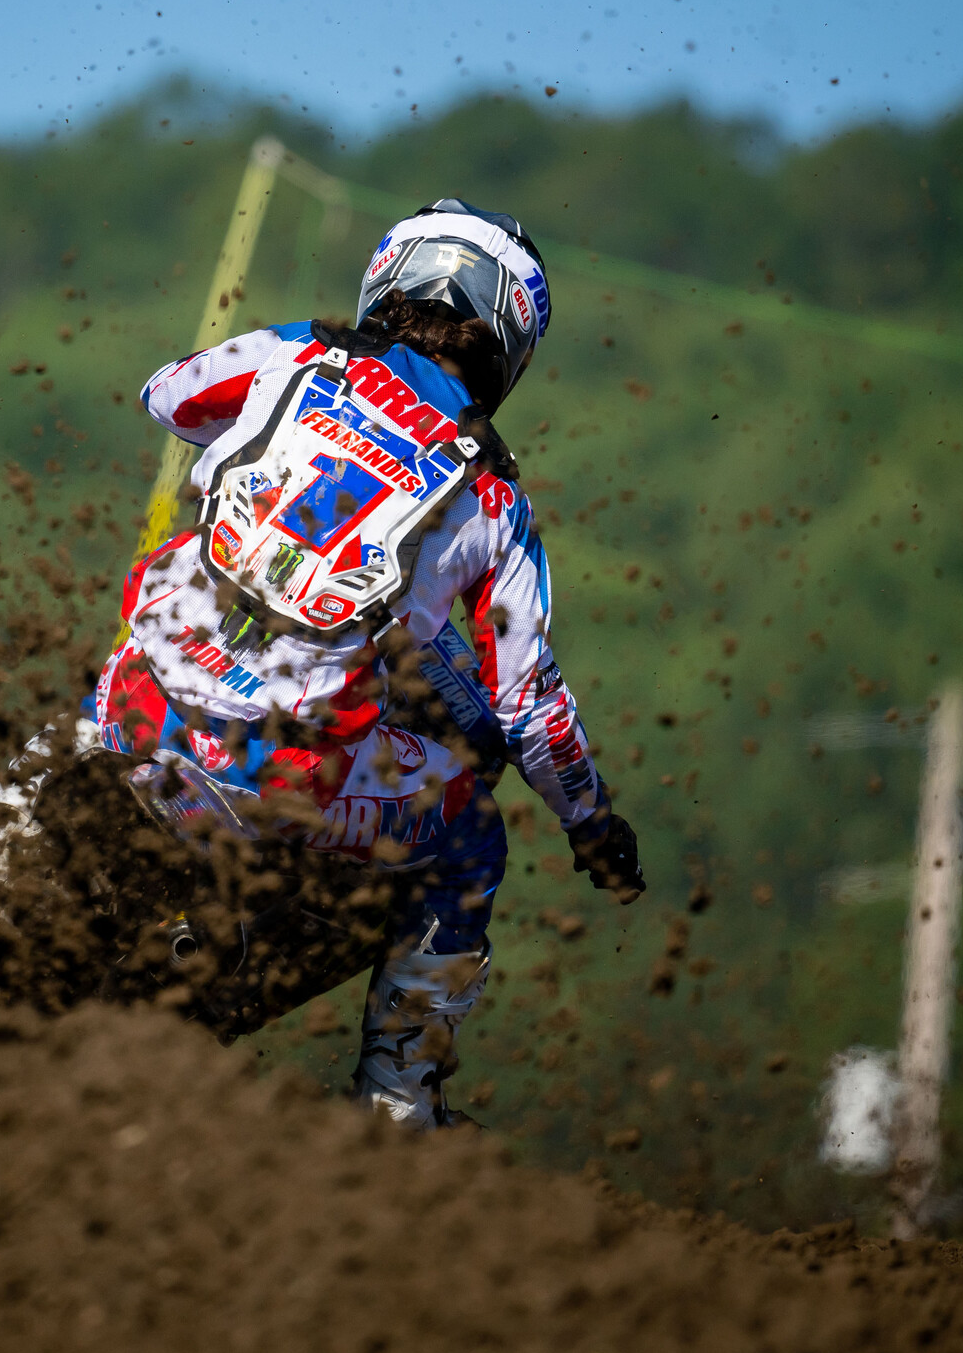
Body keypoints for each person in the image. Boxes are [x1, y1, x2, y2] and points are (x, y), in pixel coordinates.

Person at [85, 198, 645, 1128]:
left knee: (117, 674)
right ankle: (398, 1100)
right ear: (509, 340)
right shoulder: (491, 494)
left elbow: (168, 396)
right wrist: (592, 823)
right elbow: (529, 708)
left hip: (137, 708)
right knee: (471, 839)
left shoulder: (299, 354)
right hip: (281, 778)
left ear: (390, 277)